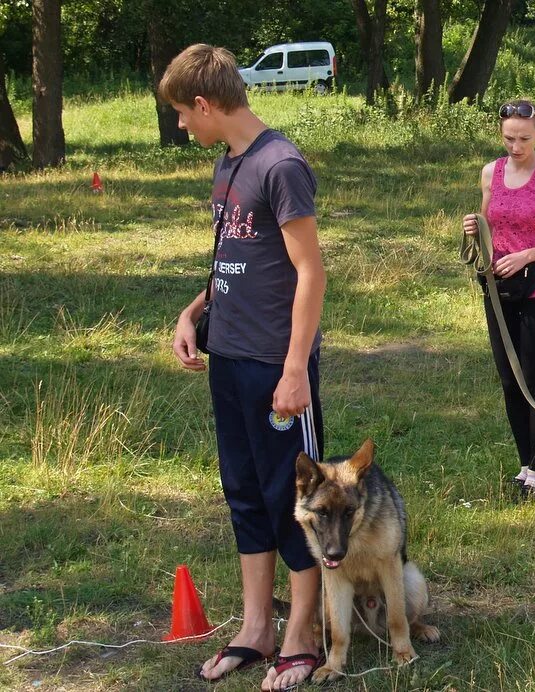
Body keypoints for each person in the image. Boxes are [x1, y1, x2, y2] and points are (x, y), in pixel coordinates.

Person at [161, 44, 326, 691]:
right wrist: (193, 311)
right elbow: (234, 257)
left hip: (273, 365)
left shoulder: (280, 165)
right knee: (246, 495)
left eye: (182, 114)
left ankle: (302, 635)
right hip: (228, 358)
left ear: (204, 104)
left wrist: (294, 371)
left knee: (297, 502)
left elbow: (310, 271)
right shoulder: (228, 163)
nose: (182, 126)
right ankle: (257, 628)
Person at [462, 100, 535, 499]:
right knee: (509, 379)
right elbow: (486, 222)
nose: (516, 146)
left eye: (524, 138)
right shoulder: (490, 173)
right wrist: (475, 227)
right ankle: (524, 464)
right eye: (509, 138)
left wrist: (527, 254)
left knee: (532, 377)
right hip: (496, 289)